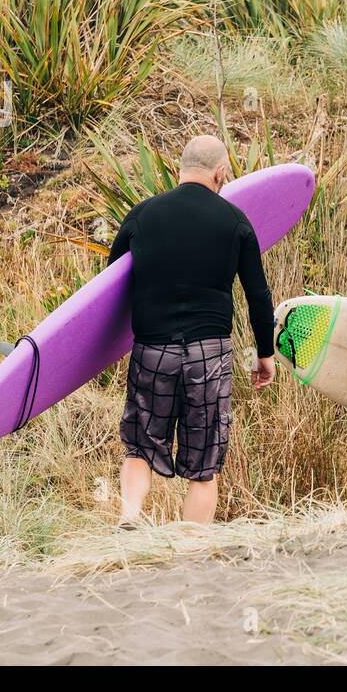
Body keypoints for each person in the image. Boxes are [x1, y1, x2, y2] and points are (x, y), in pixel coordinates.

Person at [107, 134, 276, 526]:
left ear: (180, 169)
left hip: (152, 348)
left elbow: (110, 286)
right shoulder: (235, 221)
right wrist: (264, 353)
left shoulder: (142, 214)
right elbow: (258, 295)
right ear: (220, 172)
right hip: (209, 353)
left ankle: (130, 518)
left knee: (139, 446)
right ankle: (191, 548)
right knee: (204, 464)